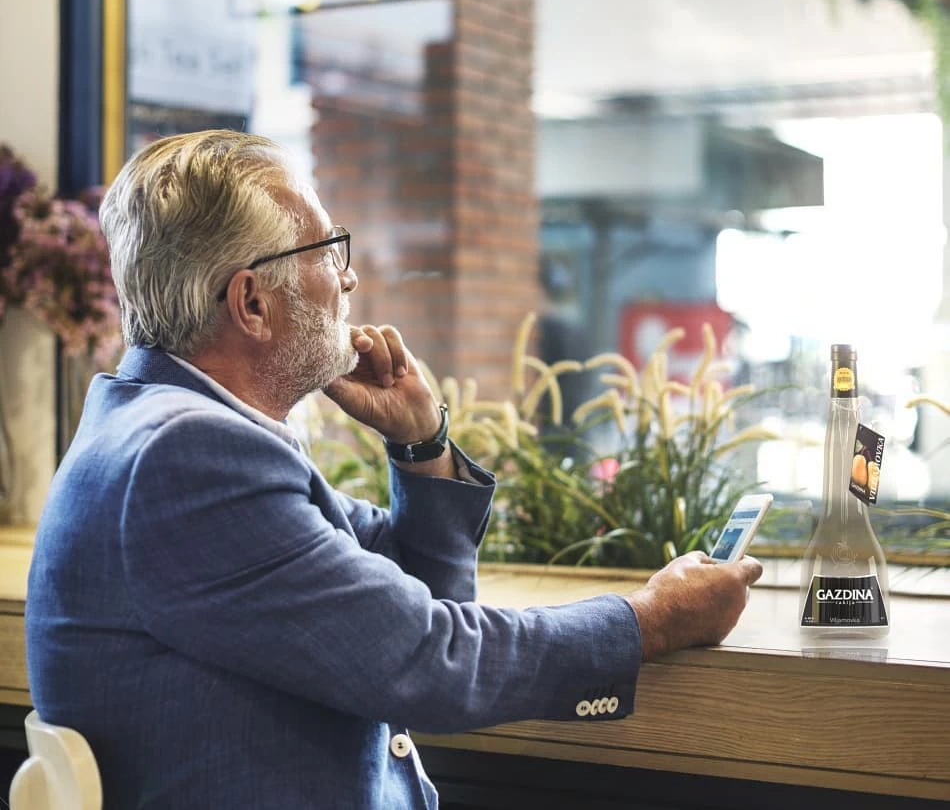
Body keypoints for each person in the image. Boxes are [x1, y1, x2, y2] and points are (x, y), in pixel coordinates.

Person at [25, 130, 762, 810]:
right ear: (252, 301)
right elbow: (430, 660)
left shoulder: (169, 429)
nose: (348, 281)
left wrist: (422, 446)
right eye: (328, 252)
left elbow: (413, 608)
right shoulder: (185, 460)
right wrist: (653, 620)